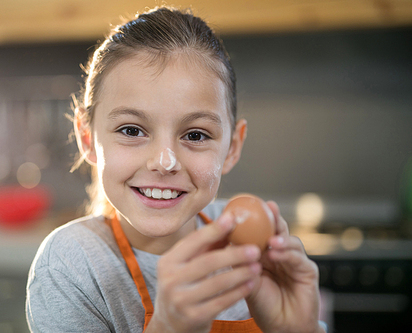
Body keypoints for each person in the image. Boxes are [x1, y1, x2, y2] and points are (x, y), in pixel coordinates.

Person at [26, 6, 325, 333]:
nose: (164, 161)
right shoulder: (72, 264)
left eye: (195, 135)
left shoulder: (256, 254)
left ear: (233, 148)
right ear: (87, 137)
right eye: (131, 130)